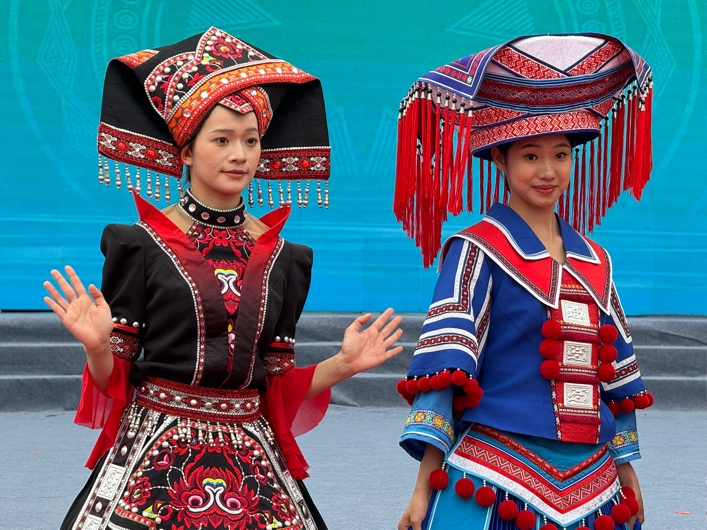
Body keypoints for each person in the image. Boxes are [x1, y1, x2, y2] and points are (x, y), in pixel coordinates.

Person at [43, 27, 403, 530]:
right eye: (222, 140)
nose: (241, 155)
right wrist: (98, 346)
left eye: (251, 141)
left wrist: (343, 364)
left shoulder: (285, 258)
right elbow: (113, 381)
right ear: (186, 152)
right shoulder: (138, 245)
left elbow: (275, 386)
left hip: (251, 458)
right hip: (157, 456)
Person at [392, 34, 655, 530]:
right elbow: (447, 368)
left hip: (595, 483)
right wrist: (424, 484)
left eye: (561, 155)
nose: (548, 171)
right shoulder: (476, 249)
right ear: (501, 161)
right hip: (494, 474)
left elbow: (616, 378)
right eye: (531, 156)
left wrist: (627, 470)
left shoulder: (596, 260)